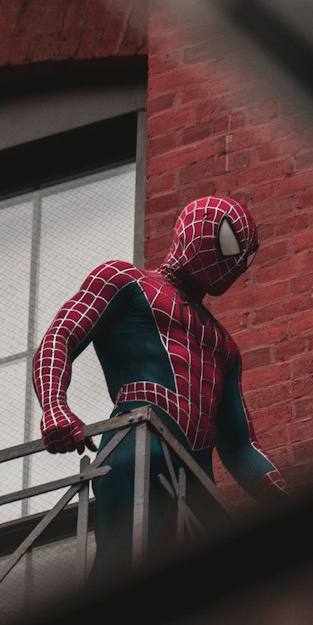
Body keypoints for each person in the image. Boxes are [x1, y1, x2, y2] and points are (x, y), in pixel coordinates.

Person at [33, 194, 286, 569]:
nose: (235, 264)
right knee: (122, 568)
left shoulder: (224, 347)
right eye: (231, 244)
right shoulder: (123, 280)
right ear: (196, 231)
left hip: (199, 484)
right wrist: (55, 407)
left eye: (245, 257)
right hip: (138, 447)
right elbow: (61, 336)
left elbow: (241, 446)